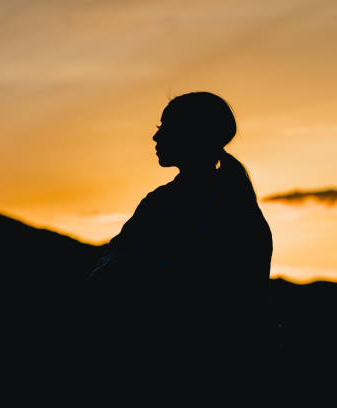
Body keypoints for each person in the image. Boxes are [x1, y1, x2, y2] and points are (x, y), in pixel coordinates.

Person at [86, 91, 273, 383]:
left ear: (192, 134)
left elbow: (203, 289)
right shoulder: (160, 201)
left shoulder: (228, 204)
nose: (156, 138)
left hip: (205, 366)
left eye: (165, 127)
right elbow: (112, 263)